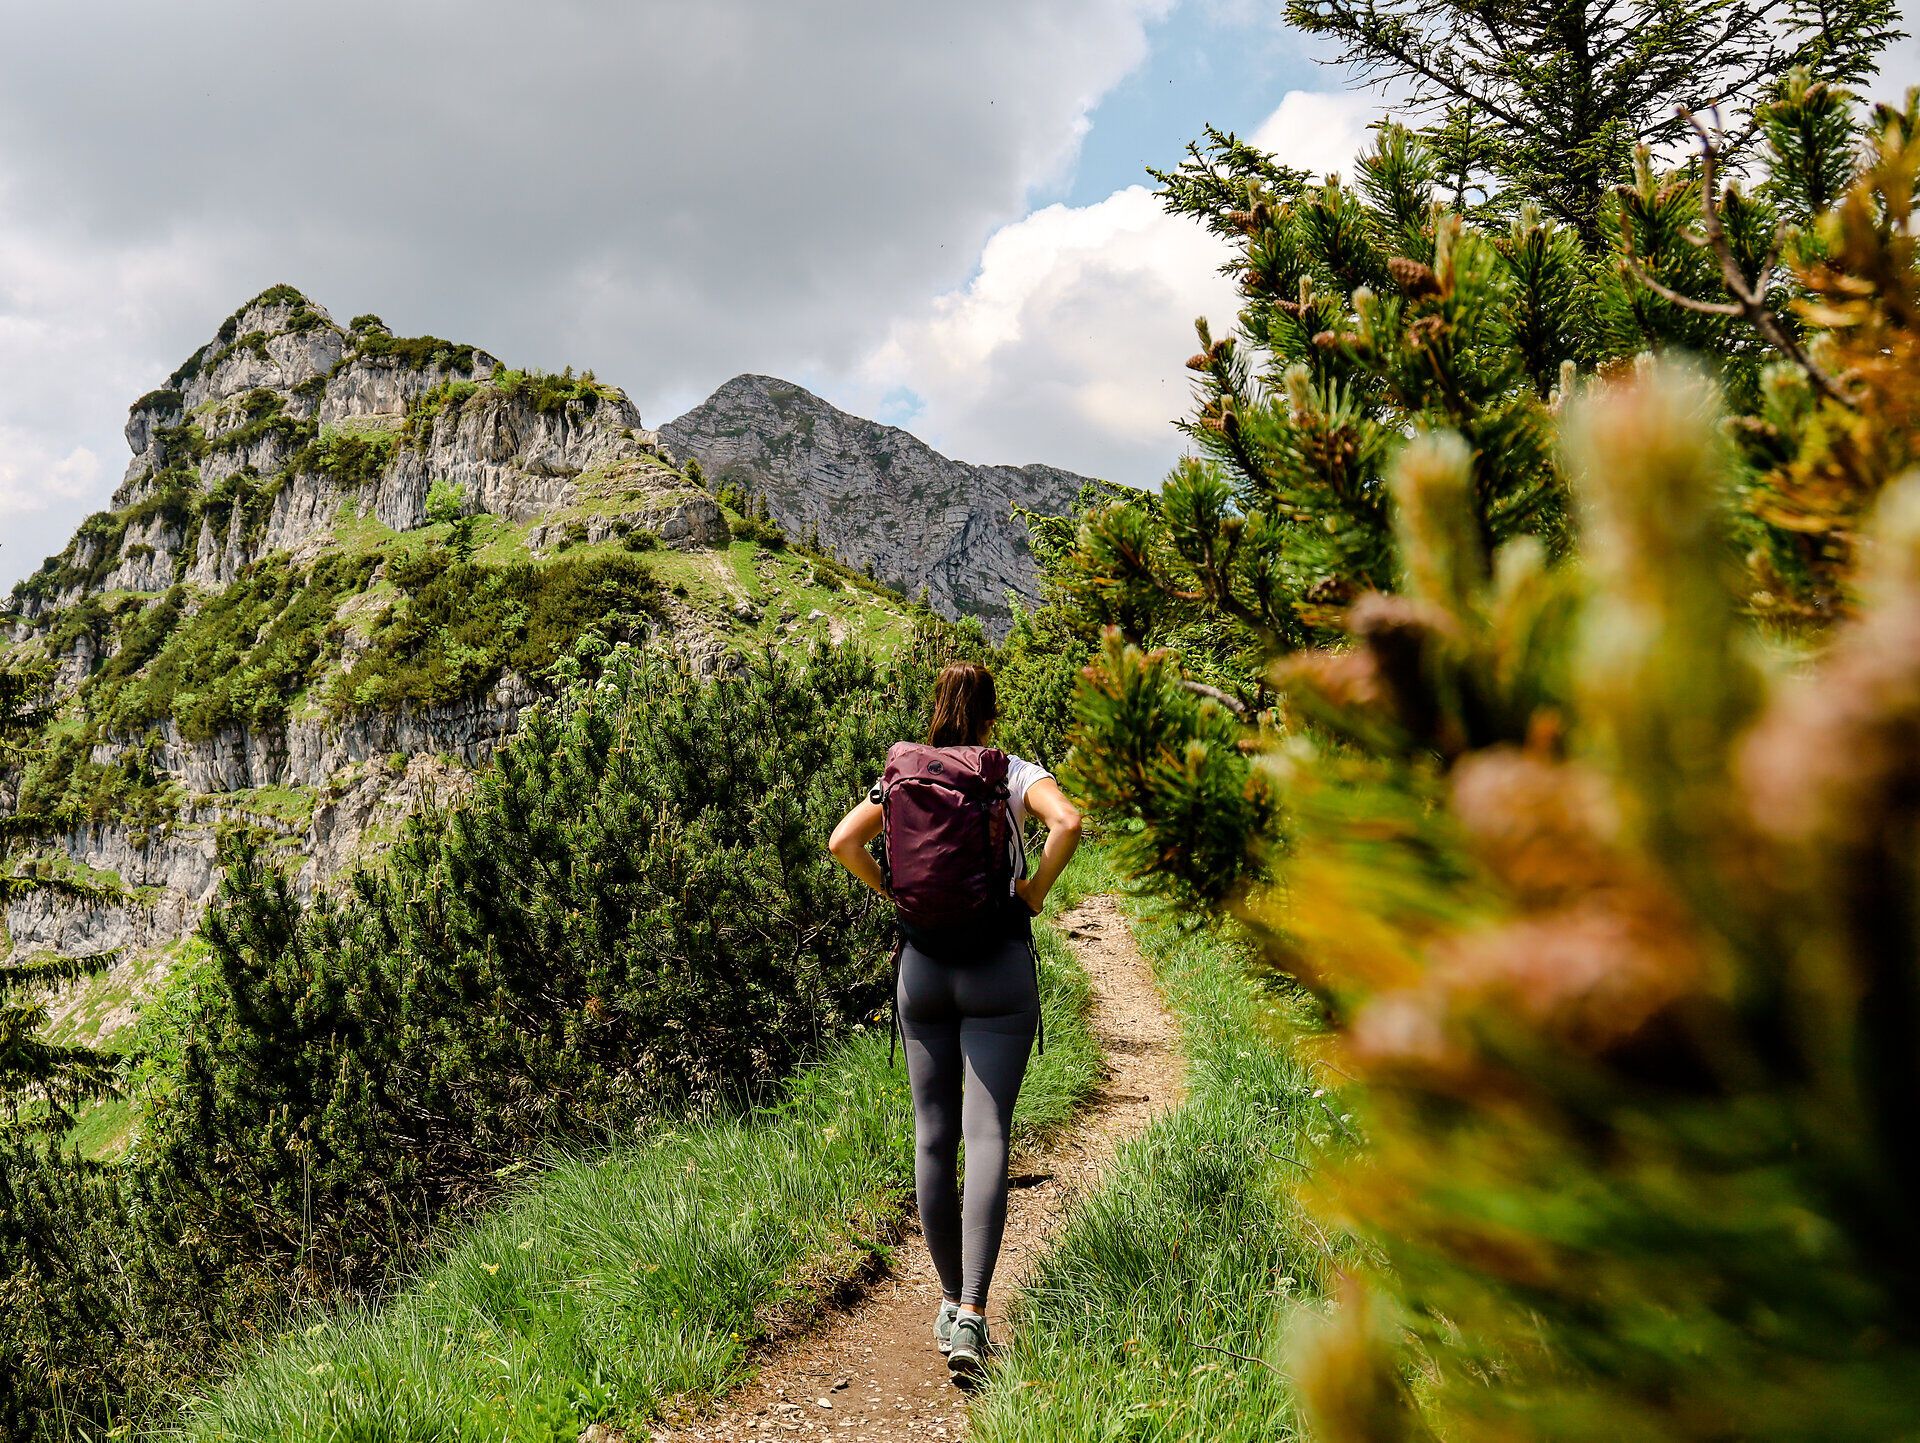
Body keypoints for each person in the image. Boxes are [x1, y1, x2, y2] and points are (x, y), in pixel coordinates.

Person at [827, 662, 1081, 1379]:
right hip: (997, 964)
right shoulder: (1010, 771)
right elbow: (1069, 822)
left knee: (934, 1137)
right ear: (992, 717)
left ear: (936, 710)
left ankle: (944, 1298)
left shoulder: (904, 770)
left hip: (924, 968)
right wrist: (1031, 892)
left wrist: (893, 894)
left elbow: (842, 841)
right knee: (987, 1131)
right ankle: (972, 1311)